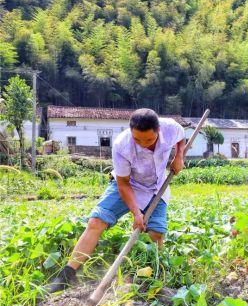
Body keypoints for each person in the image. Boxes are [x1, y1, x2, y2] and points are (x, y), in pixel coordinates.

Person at [46, 108, 186, 293]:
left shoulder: (169, 127)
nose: (143, 144)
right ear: (131, 132)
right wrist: (136, 213)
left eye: (149, 140)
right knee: (96, 221)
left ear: (158, 130)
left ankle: (150, 276)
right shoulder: (122, 145)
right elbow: (123, 184)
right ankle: (67, 275)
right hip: (129, 183)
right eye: (138, 140)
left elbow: (181, 137)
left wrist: (179, 155)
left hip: (156, 187)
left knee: (157, 234)